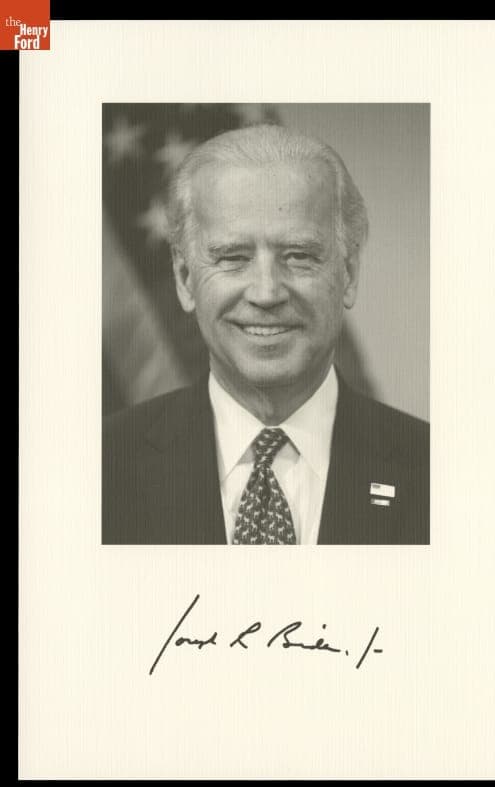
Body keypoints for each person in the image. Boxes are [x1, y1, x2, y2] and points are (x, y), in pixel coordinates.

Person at [103, 124, 429, 545]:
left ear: (348, 275)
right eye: (233, 257)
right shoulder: (100, 469)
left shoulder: (441, 474)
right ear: (184, 280)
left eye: (298, 255)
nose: (266, 292)